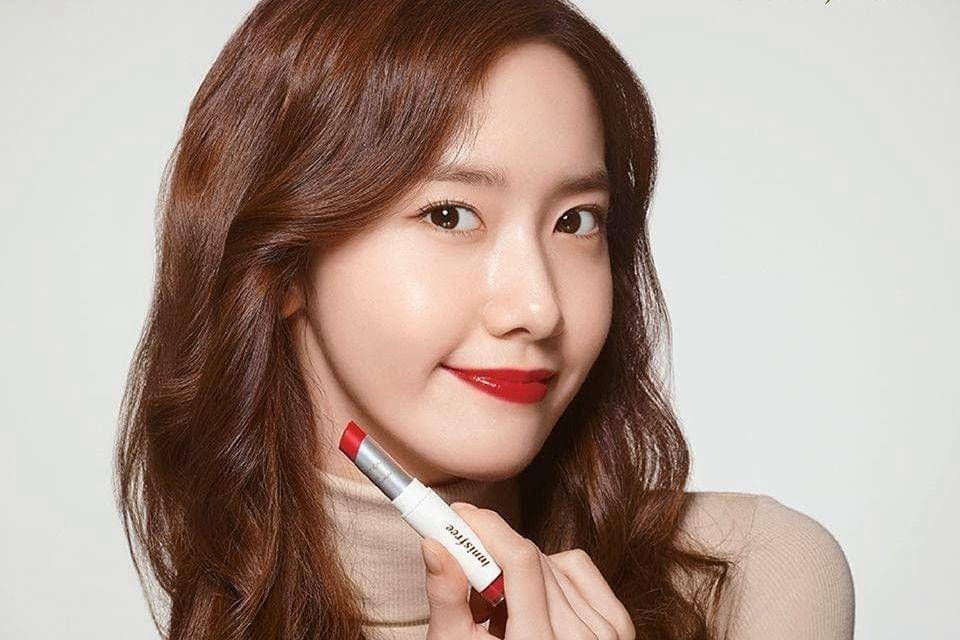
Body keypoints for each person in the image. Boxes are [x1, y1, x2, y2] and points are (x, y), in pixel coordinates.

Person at [115, 1, 855, 639]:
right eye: (450, 215)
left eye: (576, 221)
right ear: (285, 265)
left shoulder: (751, 579)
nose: (539, 307)